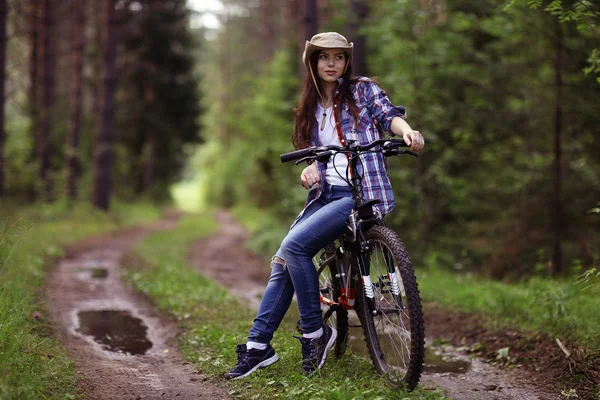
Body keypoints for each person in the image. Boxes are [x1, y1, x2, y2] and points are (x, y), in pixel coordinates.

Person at [224, 32, 425, 380]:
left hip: (357, 194)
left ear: (347, 62)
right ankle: (259, 347)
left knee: (295, 248)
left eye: (338, 57)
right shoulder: (310, 105)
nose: (331, 64)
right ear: (313, 63)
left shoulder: (362, 90)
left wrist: (407, 132)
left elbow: (388, 114)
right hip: (325, 195)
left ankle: (315, 335)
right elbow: (310, 152)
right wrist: (311, 168)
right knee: (283, 261)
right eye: (324, 58)